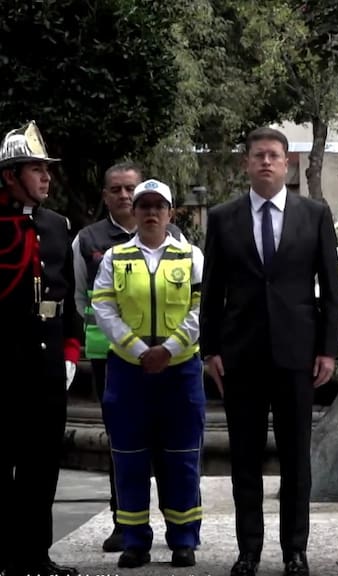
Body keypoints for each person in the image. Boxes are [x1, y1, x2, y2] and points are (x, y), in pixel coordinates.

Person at [200, 127, 338, 576]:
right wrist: (210, 349)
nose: (266, 162)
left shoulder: (314, 214)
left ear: (287, 163)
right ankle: (248, 550)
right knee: (244, 458)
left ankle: (295, 550)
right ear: (246, 163)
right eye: (258, 155)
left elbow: (332, 287)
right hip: (240, 355)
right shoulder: (223, 217)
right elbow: (212, 291)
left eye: (274, 155)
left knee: (296, 457)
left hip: (296, 354)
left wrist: (329, 350)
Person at [92, 179, 205, 569]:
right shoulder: (115, 257)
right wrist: (140, 351)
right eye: (144, 206)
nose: (151, 212)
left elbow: (202, 308)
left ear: (171, 213)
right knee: (129, 458)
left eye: (159, 206)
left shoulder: (191, 256)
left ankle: (184, 539)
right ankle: (135, 540)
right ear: (135, 211)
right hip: (129, 371)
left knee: (182, 458)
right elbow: (103, 307)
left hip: (180, 371)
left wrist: (169, 349)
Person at [72, 161, 184, 553]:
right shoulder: (88, 239)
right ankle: (124, 521)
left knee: (170, 441)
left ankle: (176, 525)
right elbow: (82, 298)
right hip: (113, 356)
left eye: (129, 189)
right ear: (106, 196)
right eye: (116, 189)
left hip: (170, 357)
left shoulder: (175, 238)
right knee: (121, 440)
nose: (123, 195)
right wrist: (122, 339)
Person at [0, 121, 80, 576]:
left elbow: (65, 297)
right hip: (3, 365)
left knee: (42, 465)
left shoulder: (57, 225)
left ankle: (35, 555)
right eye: (36, 168)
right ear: (10, 175)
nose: (47, 177)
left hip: (46, 366)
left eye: (47, 169)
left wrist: (69, 352)